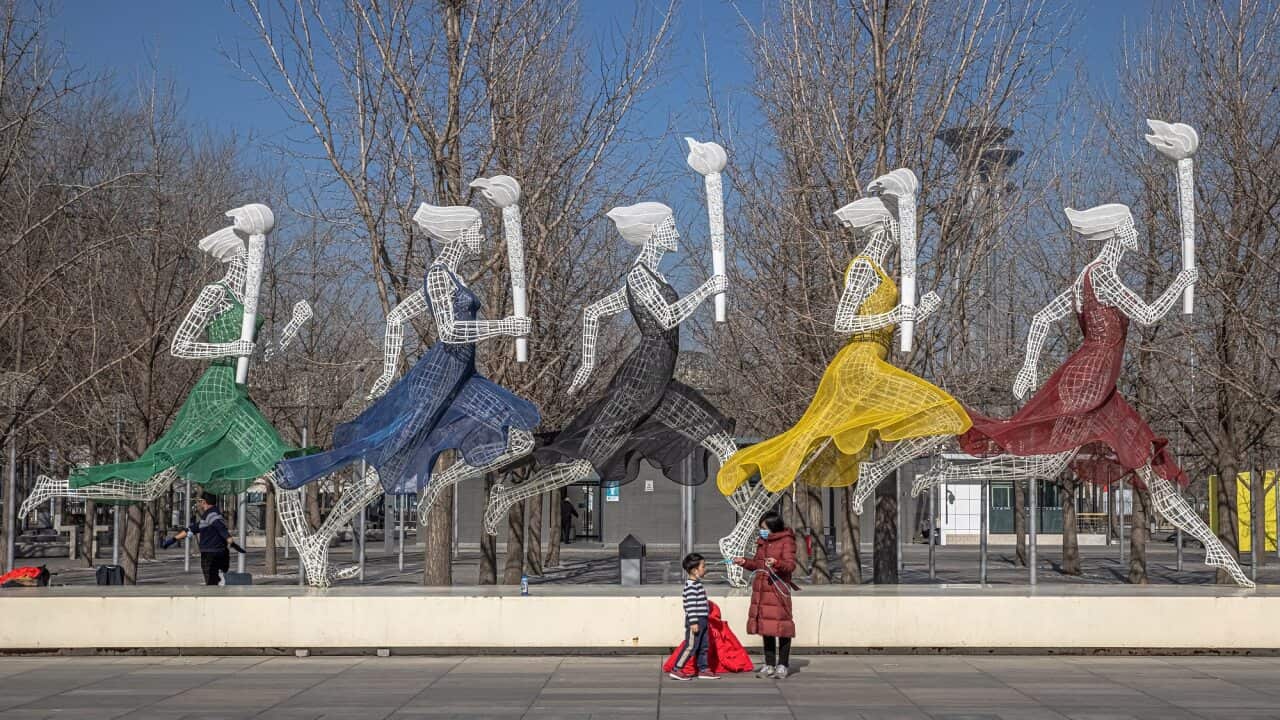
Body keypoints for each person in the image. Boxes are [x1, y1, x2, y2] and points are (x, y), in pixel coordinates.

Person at [716, 172, 968, 586]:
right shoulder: (863, 268)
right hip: (856, 368)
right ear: (882, 227)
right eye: (893, 224)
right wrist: (899, 314)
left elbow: (883, 320)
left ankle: (741, 532)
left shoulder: (882, 272)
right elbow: (843, 320)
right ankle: (868, 472)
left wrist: (914, 313)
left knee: (808, 452)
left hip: (871, 363)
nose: (899, 232)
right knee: (940, 413)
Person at [273, 203, 539, 586]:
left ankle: (439, 485)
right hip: (435, 383)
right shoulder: (438, 276)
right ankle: (320, 539)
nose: (482, 236)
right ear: (461, 232)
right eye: (478, 229)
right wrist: (505, 326)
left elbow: (397, 317)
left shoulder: (455, 278)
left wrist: (388, 368)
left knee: (520, 439)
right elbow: (449, 332)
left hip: (464, 381)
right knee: (383, 471)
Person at [482, 200, 737, 533]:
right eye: (671, 227)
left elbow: (594, 312)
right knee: (581, 465)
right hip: (639, 383)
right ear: (654, 231)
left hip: (661, 383)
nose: (676, 234)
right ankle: (509, 495)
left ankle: (744, 527)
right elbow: (666, 317)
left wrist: (587, 364)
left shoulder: (653, 277)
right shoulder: (639, 276)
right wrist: (707, 289)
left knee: (719, 437)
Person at [733, 511, 799, 679]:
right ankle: (769, 664)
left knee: (782, 628)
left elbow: (790, 565)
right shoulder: (762, 542)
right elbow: (757, 564)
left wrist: (777, 563)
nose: (762, 531)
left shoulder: (786, 541)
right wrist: (744, 562)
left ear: (773, 527)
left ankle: (783, 665)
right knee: (766, 628)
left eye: (764, 528)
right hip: (762, 590)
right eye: (761, 528)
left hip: (777, 590)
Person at [162, 492, 243, 586]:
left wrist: (230, 540)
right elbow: (191, 529)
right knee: (213, 580)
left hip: (211, 554)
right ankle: (217, 583)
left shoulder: (212, 515)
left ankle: (215, 588)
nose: (199, 504)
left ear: (204, 502)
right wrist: (173, 540)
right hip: (218, 552)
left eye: (200, 501)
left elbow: (220, 527)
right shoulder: (208, 516)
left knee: (211, 582)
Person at [668, 552, 718, 680]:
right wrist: (694, 622)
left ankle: (703, 669)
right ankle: (676, 669)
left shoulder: (697, 584)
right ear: (695, 570)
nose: (705, 569)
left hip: (703, 620)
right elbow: (690, 606)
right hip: (696, 621)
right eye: (703, 566)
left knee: (703, 646)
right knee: (690, 646)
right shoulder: (690, 587)